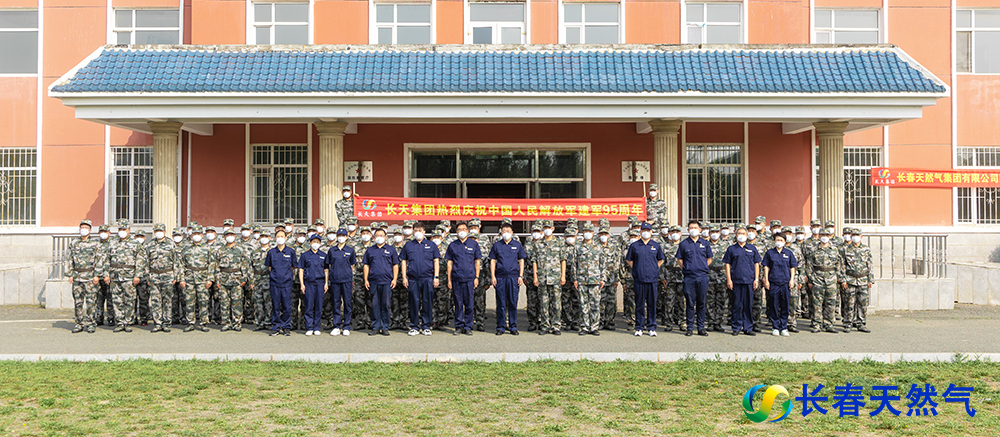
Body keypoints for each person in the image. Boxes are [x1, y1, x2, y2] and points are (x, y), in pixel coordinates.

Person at [66, 219, 107, 334]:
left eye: (86, 228)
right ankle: (79, 323)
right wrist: (70, 274)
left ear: (90, 230)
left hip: (90, 277)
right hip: (77, 277)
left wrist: (97, 275)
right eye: (82, 227)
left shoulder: (95, 244)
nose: (84, 229)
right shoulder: (74, 243)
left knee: (91, 302)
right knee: (78, 302)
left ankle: (91, 324)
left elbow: (99, 260)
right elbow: (70, 259)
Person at [625, 222, 665, 337]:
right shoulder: (635, 246)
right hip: (639, 279)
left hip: (652, 279)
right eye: (644, 230)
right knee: (640, 304)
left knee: (652, 304)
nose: (646, 232)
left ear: (651, 232)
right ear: (640, 232)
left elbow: (661, 259)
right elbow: (629, 260)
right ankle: (639, 327)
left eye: (648, 231)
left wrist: (654, 268)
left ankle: (651, 327)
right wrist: (636, 269)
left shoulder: (656, 245)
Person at [400, 222, 439, 336]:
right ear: (413, 232)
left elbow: (436, 261)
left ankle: (426, 326)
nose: (418, 232)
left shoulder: (431, 245)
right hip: (413, 279)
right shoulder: (408, 245)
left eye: (420, 230)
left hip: (427, 278)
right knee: (413, 303)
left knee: (427, 302)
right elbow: (403, 261)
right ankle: (414, 326)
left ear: (424, 232)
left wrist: (436, 277)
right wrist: (404, 277)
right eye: (416, 230)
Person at [675, 220, 713, 337]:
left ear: (700, 229)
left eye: (695, 227)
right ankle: (690, 327)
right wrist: (687, 268)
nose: (693, 229)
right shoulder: (684, 244)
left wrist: (702, 267)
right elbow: (679, 259)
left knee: (701, 303)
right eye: (691, 227)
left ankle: (701, 328)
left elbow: (709, 258)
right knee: (690, 303)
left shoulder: (705, 243)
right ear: (688, 230)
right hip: (689, 277)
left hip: (702, 277)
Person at [141, 223, 179, 333]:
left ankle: (166, 323)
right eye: (156, 231)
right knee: (155, 301)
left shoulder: (171, 244)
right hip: (154, 276)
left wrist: (175, 276)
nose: (158, 233)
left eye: (160, 231)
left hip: (168, 275)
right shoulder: (150, 245)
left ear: (165, 232)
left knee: (167, 300)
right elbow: (146, 262)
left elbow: (176, 261)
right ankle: (157, 323)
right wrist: (147, 276)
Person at [490, 221, 526, 335]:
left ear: (512, 232)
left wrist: (521, 276)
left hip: (513, 278)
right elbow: (493, 261)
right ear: (501, 232)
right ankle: (500, 327)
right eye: (504, 231)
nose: (506, 232)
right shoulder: (496, 245)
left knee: (513, 303)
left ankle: (513, 326)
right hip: (500, 277)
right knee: (501, 303)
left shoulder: (517, 245)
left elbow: (521, 260)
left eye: (508, 231)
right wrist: (493, 276)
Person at [723, 225, 761, 336]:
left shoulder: (752, 248)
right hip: (736, 281)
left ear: (747, 236)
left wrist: (756, 279)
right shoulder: (731, 249)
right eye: (739, 233)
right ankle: (736, 327)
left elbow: (756, 264)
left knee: (748, 305)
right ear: (736, 235)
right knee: (736, 305)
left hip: (749, 281)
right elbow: (727, 264)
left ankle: (748, 327)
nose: (741, 235)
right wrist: (729, 279)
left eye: (743, 233)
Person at [106, 219, 142, 333]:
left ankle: (128, 322)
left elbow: (140, 261)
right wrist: (106, 274)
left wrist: (137, 275)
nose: (122, 231)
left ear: (129, 230)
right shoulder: (112, 242)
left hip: (129, 276)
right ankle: (120, 322)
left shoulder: (135, 243)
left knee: (129, 300)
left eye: (124, 229)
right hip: (115, 276)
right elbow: (106, 260)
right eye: (120, 229)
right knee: (117, 300)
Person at [445, 222, 481, 336]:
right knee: (458, 304)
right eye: (459, 229)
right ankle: (459, 326)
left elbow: (477, 262)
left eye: (464, 229)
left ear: (468, 231)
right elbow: (449, 263)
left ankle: (468, 326)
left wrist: (477, 277)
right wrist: (449, 280)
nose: (462, 231)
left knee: (469, 304)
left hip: (470, 279)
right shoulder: (452, 245)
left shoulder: (474, 244)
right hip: (457, 279)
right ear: (456, 232)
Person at [532, 219, 566, 335]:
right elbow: (534, 261)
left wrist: (563, 275)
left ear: (553, 229)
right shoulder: (538, 244)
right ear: (542, 229)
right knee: (544, 303)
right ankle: (545, 326)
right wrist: (535, 276)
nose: (547, 230)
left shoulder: (559, 242)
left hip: (555, 277)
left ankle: (556, 326)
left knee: (556, 303)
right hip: (542, 278)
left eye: (549, 228)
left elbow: (563, 260)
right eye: (545, 228)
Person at [179, 225, 215, 333]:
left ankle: (204, 323)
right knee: (189, 302)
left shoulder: (207, 248)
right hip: (189, 278)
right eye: (194, 234)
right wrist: (182, 279)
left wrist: (210, 279)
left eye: (198, 234)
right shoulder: (186, 248)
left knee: (203, 302)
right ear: (191, 235)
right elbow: (181, 264)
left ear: (202, 235)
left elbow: (212, 264)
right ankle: (190, 323)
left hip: (202, 279)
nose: (196, 236)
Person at [807, 228, 843, 333]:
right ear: (819, 236)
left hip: (831, 279)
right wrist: (811, 279)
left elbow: (839, 265)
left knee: (831, 303)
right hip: (817, 279)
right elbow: (809, 266)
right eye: (822, 235)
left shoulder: (835, 250)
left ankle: (829, 324)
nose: (824, 237)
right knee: (817, 303)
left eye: (827, 235)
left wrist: (838, 277)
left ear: (830, 236)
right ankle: (817, 324)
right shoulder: (813, 250)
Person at [364, 228, 399, 336]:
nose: (379, 237)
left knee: (386, 305)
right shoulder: (370, 250)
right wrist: (366, 279)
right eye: (377, 235)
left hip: (387, 282)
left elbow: (395, 265)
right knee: (374, 305)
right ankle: (375, 327)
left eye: (381, 235)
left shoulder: (391, 249)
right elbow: (366, 265)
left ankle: (385, 327)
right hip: (373, 281)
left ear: (385, 237)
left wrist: (394, 279)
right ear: (374, 237)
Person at [761, 233, 797, 337]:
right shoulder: (769, 253)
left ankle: (784, 327)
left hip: (785, 283)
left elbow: (792, 267)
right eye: (777, 240)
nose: (779, 242)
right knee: (773, 305)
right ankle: (775, 327)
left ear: (785, 242)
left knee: (785, 305)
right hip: (774, 282)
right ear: (774, 241)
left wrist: (792, 280)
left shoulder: (789, 253)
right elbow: (766, 267)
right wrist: (766, 280)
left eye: (781, 240)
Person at [216, 228, 250, 332]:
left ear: (235, 236)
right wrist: (217, 280)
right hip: (223, 279)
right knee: (224, 302)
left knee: (237, 302)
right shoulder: (220, 250)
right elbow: (216, 266)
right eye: (227, 235)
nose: (229, 236)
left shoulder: (241, 249)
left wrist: (244, 278)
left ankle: (237, 323)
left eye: (231, 234)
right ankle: (226, 323)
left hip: (237, 279)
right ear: (224, 237)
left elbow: (245, 264)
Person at [574, 223, 605, 336]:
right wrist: (575, 279)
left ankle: (594, 327)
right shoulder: (578, 247)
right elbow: (574, 264)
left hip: (595, 280)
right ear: (583, 233)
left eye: (590, 231)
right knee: (583, 305)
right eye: (586, 231)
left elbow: (602, 263)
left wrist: (603, 278)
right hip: (582, 280)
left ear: (593, 233)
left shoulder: (598, 247)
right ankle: (584, 326)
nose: (587, 233)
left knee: (595, 305)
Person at [840, 228, 874, 333]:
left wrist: (870, 279)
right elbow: (842, 266)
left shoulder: (866, 249)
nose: (855, 237)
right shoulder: (846, 249)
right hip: (850, 280)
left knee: (863, 304)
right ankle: (848, 324)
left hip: (863, 280)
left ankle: (861, 324)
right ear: (851, 236)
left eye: (857, 235)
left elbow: (870, 265)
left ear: (861, 237)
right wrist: (843, 280)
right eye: (854, 235)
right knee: (849, 303)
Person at [266, 230, 297, 336]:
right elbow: (270, 267)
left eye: (282, 236)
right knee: (275, 306)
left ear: (286, 238)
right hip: (275, 283)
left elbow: (293, 266)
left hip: (287, 284)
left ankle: (286, 327)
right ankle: (276, 327)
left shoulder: (291, 252)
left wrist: (285, 276)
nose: (280, 238)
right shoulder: (271, 252)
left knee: (287, 306)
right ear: (275, 238)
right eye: (278, 236)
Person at [326, 229, 356, 336]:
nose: (341, 237)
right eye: (339, 235)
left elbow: (352, 265)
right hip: (335, 280)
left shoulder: (350, 250)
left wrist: (351, 278)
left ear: (347, 237)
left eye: (343, 235)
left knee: (347, 303)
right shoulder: (331, 250)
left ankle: (346, 326)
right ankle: (336, 326)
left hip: (347, 280)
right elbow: (329, 265)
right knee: (336, 303)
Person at [298, 234, 329, 336]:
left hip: (320, 283)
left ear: (320, 243)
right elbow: (301, 270)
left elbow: (326, 270)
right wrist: (302, 284)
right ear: (310, 242)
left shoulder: (323, 255)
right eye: (314, 241)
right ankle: (309, 327)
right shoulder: (305, 255)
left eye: (317, 242)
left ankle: (316, 327)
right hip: (309, 283)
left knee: (319, 306)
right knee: (309, 306)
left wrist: (326, 283)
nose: (315, 243)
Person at [597, 225, 621, 331]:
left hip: (611, 278)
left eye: (605, 234)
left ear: (609, 235)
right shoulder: (595, 246)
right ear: (598, 235)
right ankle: (601, 321)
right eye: (601, 234)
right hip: (599, 278)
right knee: (600, 300)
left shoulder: (613, 246)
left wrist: (617, 278)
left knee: (611, 301)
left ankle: (609, 321)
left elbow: (617, 262)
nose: (603, 236)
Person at [249, 230, 273, 331]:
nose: (264, 238)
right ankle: (259, 322)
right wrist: (251, 281)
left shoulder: (273, 251)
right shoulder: (255, 252)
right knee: (258, 303)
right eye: (262, 236)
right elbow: (250, 267)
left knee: (269, 303)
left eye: (266, 236)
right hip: (257, 280)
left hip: (268, 279)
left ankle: (268, 322)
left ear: (269, 238)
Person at [707, 225, 729, 332]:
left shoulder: (726, 245)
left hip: (722, 275)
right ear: (709, 233)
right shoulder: (705, 245)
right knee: (709, 300)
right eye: (712, 232)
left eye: (716, 231)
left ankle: (718, 322)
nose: (714, 234)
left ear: (719, 233)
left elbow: (729, 261)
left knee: (721, 300)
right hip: (709, 274)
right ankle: (710, 322)